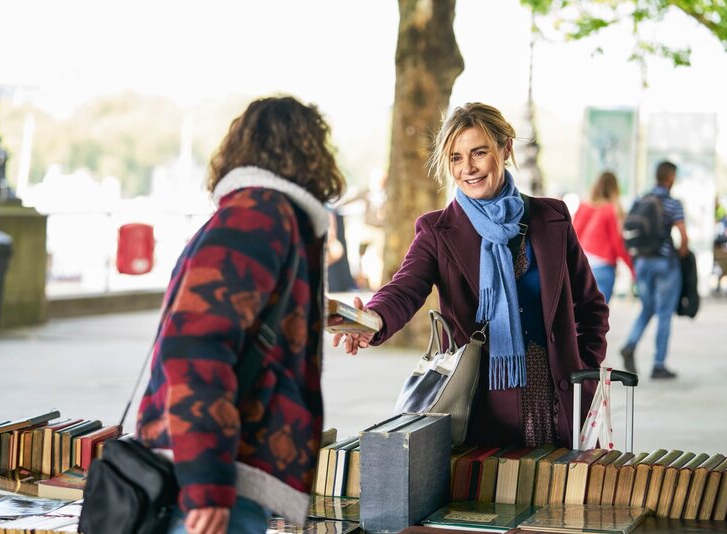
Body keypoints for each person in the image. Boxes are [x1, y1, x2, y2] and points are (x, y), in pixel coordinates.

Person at [332, 102, 608, 449]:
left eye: (479, 153)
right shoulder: (439, 231)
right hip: (483, 409)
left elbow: (591, 307)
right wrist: (371, 319)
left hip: (561, 404)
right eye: (456, 158)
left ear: (506, 148)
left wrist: (584, 372)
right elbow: (404, 288)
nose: (468, 168)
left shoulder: (551, 218)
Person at [135, 96, 345, 534]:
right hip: (213, 477)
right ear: (307, 150)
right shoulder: (261, 213)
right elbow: (194, 343)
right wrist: (207, 483)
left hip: (220, 468)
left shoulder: (252, 213)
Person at [620, 161, 688, 380]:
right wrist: (682, 252)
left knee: (647, 308)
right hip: (664, 262)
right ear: (670, 178)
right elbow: (683, 236)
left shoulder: (641, 199)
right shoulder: (672, 203)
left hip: (642, 262)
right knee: (664, 313)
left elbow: (628, 227)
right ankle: (659, 364)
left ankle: (630, 344)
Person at [572, 171, 634, 303]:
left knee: (581, 319)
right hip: (602, 267)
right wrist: (633, 269)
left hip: (582, 267)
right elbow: (617, 242)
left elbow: (573, 237)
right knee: (598, 319)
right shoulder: (611, 209)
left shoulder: (584, 207)